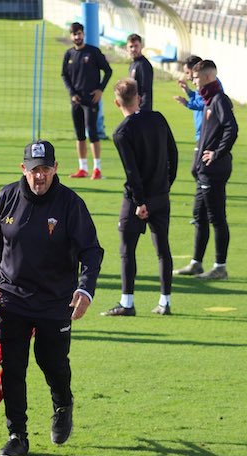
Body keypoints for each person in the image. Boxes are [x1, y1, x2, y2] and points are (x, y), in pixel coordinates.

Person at [0, 140, 103, 456]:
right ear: (23, 169)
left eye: (46, 169)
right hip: (12, 300)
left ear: (55, 169)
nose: (40, 177)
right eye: (34, 170)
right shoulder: (6, 198)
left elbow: (91, 250)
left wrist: (85, 289)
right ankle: (17, 436)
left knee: (51, 362)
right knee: (12, 368)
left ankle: (63, 404)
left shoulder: (69, 204)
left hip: (55, 301)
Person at [102, 78, 177, 317]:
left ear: (117, 102)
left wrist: (141, 202)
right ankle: (165, 302)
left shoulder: (122, 133)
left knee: (127, 249)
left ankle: (127, 303)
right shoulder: (158, 118)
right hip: (161, 196)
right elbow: (173, 155)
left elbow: (132, 171)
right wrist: (165, 188)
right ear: (139, 97)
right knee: (163, 249)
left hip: (137, 200)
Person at [174, 60, 238, 280]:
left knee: (216, 217)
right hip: (203, 171)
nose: (193, 79)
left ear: (208, 77)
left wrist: (217, 153)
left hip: (214, 170)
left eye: (196, 77)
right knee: (199, 216)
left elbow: (232, 128)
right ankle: (196, 263)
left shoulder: (219, 99)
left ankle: (220, 267)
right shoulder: (208, 100)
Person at [61, 22, 112, 180]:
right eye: (75, 34)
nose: (77, 36)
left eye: (79, 33)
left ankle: (97, 169)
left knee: (93, 132)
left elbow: (108, 71)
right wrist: (72, 93)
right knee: (79, 134)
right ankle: (82, 168)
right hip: (76, 100)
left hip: (91, 99)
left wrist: (100, 90)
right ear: (71, 36)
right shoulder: (69, 54)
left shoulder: (93, 52)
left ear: (83, 34)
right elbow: (64, 75)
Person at [174, 55, 205, 142]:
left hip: (206, 134)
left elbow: (203, 104)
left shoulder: (207, 84)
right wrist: (188, 91)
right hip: (201, 133)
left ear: (195, 69)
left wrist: (187, 103)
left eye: (187, 73)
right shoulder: (202, 83)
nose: (187, 77)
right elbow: (198, 99)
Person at [126, 34, 153, 112]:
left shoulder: (143, 65)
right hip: (133, 108)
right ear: (127, 48)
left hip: (141, 110)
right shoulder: (133, 64)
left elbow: (146, 91)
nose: (133, 49)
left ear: (141, 46)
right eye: (131, 47)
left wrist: (142, 111)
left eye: (136, 46)